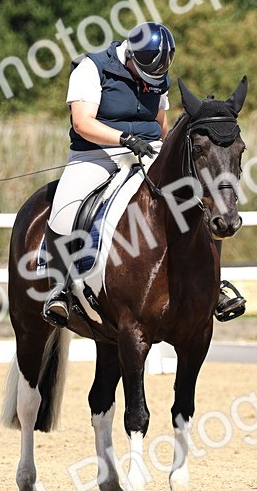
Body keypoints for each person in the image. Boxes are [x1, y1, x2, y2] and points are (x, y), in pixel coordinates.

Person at [42, 21, 246, 327]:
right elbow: (83, 122)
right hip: (96, 154)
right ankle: (61, 289)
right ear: (130, 56)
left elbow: (160, 121)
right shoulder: (90, 68)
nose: (151, 81)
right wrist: (124, 140)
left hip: (145, 154)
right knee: (65, 208)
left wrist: (161, 149)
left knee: (193, 200)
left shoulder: (156, 73)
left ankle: (212, 285)